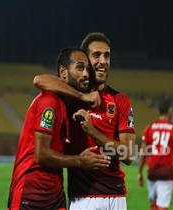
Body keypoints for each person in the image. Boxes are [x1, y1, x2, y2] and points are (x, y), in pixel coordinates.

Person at [33, 32, 136, 210]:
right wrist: (82, 95)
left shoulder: (121, 101)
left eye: (107, 56)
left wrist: (94, 132)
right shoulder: (71, 95)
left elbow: (128, 155)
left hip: (116, 195)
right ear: (85, 60)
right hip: (83, 197)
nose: (103, 61)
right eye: (97, 55)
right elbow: (39, 80)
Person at [7, 48, 110, 210]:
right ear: (63, 72)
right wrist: (80, 160)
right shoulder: (50, 101)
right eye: (80, 67)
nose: (85, 74)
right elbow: (41, 154)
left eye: (88, 70)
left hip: (55, 196)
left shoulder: (66, 105)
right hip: (31, 195)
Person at [137, 99, 173, 210]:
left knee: (153, 205)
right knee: (163, 207)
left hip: (152, 172)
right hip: (166, 172)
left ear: (158, 111)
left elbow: (143, 152)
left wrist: (140, 172)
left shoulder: (149, 127)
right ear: (170, 110)